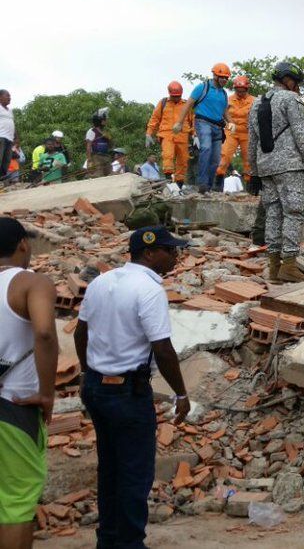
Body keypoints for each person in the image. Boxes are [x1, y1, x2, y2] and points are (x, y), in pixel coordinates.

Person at [75, 226, 191, 549]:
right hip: (127, 394)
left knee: (110, 469)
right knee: (135, 474)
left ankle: (108, 540)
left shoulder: (102, 281)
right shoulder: (149, 289)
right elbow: (163, 349)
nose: (176, 256)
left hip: (98, 389)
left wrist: (86, 374)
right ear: (150, 253)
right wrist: (181, 393)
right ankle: (129, 544)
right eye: (171, 250)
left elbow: (79, 333)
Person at [0, 219, 58, 549]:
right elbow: (46, 332)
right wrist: (47, 393)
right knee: (16, 502)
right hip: (13, 407)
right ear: (23, 244)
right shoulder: (31, 283)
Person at [248, 62, 304, 282]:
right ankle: (288, 265)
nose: (297, 86)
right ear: (288, 80)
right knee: (294, 212)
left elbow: (252, 142)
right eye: (295, 82)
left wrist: (253, 171)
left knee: (273, 212)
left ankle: (273, 265)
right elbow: (301, 134)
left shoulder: (256, 103)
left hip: (265, 166)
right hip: (289, 165)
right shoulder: (291, 100)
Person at [175, 63, 231, 193]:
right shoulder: (202, 87)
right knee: (206, 148)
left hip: (218, 127)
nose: (224, 80)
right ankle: (202, 182)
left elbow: (225, 111)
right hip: (203, 122)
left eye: (226, 78)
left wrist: (231, 122)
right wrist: (179, 122)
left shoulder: (223, 93)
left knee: (216, 158)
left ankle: (208, 187)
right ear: (215, 76)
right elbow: (188, 105)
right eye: (222, 77)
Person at [145, 81, 193, 185]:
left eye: (178, 96)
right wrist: (149, 133)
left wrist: (195, 135)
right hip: (167, 136)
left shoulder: (186, 105)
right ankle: (168, 181)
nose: (176, 98)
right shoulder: (163, 103)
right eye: (174, 96)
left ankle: (179, 185)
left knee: (183, 161)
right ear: (169, 94)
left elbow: (193, 121)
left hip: (183, 136)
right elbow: (155, 119)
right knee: (168, 156)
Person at [216, 75, 255, 181]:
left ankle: (250, 184)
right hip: (231, 131)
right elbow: (220, 114)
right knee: (225, 154)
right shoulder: (228, 100)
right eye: (238, 91)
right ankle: (218, 180)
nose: (240, 93)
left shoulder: (254, 101)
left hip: (247, 133)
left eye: (243, 91)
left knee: (248, 159)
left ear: (247, 89)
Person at [85, 109, 114, 178]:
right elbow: (88, 147)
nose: (106, 121)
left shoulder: (105, 132)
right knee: (98, 176)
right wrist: (89, 160)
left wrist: (109, 139)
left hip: (106, 156)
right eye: (104, 120)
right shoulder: (92, 131)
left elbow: (111, 146)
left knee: (110, 175)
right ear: (99, 121)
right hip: (96, 157)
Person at [0, 90, 16, 178]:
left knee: (6, 161)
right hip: (1, 137)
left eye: (10, 96)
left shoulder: (10, 111)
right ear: (0, 97)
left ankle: (1, 178)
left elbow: (12, 123)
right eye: (7, 96)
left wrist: (16, 138)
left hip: (9, 139)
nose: (9, 98)